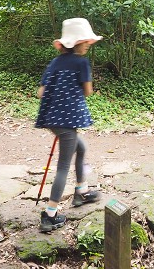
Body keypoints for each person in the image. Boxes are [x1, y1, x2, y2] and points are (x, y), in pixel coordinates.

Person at [35, 18, 103, 232]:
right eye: (85, 42)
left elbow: (40, 93)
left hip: (53, 120)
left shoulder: (55, 63)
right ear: (76, 43)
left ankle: (81, 192)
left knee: (81, 148)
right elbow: (88, 91)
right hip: (68, 121)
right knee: (63, 166)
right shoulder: (81, 63)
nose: (88, 45)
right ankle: (50, 214)